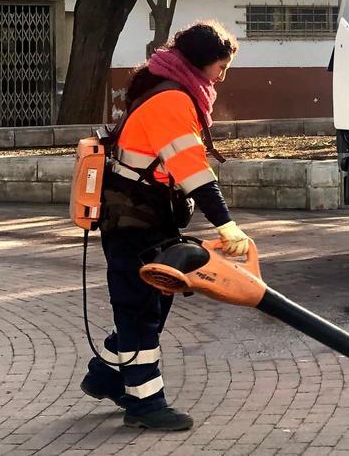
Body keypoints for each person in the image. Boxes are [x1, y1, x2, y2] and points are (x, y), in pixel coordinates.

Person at [79, 21, 249, 431]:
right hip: (136, 223)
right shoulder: (171, 102)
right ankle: (145, 404)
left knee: (150, 304)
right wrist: (226, 224)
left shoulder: (166, 91)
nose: (221, 77)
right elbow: (193, 170)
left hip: (142, 220)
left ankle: (107, 375)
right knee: (141, 312)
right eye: (220, 67)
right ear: (199, 64)